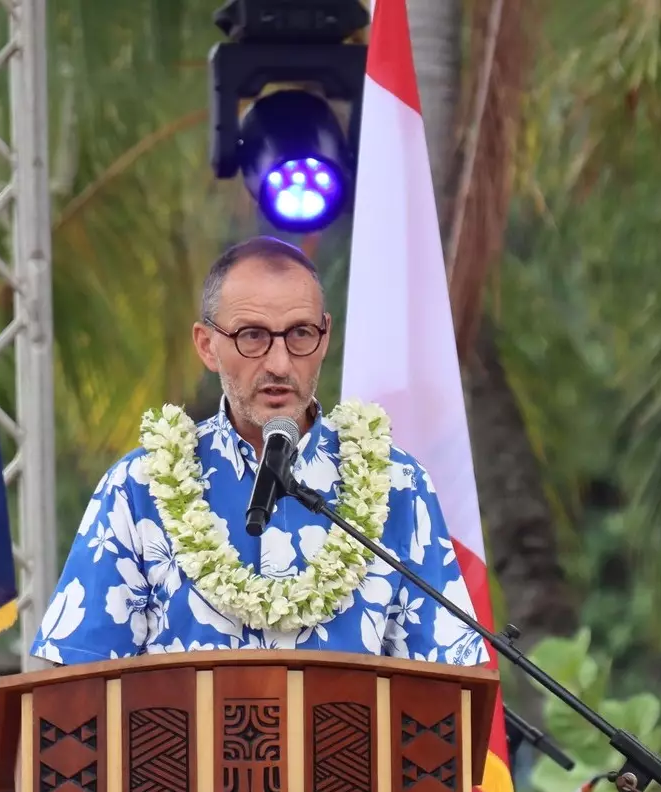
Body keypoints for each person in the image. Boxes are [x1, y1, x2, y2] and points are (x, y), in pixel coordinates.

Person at [30, 236, 489, 666]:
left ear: (325, 337)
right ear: (207, 346)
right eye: (252, 335)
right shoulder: (140, 487)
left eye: (300, 333)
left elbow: (447, 685)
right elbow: (76, 686)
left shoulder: (397, 485)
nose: (279, 363)